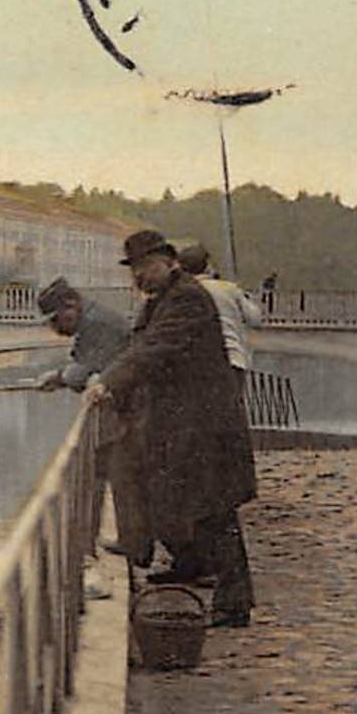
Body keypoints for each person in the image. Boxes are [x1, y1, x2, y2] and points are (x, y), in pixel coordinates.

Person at [88, 230, 257, 627]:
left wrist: (108, 383)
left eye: (145, 268)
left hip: (207, 423)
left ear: (168, 262)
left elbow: (155, 349)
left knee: (217, 510)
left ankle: (235, 603)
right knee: (188, 498)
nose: (140, 278)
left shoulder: (185, 299)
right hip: (187, 421)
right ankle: (189, 566)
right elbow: (141, 349)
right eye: (135, 271)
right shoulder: (165, 299)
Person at [35, 277, 149, 566]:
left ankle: (131, 545)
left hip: (132, 408)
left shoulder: (98, 323)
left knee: (123, 475)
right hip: (126, 406)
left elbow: (86, 371)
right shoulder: (95, 319)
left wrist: (58, 378)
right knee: (119, 475)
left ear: (71, 305)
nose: (55, 327)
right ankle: (126, 543)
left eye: (55, 318)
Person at [177, 243, 263, 376]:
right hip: (232, 360)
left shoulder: (178, 293)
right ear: (207, 266)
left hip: (194, 363)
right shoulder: (228, 289)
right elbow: (255, 319)